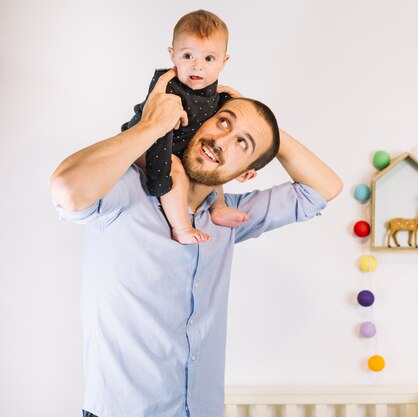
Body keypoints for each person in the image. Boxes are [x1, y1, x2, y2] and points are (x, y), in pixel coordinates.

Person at [50, 69, 343, 417]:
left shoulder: (228, 218)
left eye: (243, 144)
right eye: (223, 122)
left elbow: (324, 189)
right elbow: (67, 190)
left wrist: (265, 128)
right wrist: (150, 127)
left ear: (246, 171)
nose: (222, 141)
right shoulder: (128, 191)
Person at [123, 9, 248, 245]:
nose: (197, 66)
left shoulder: (218, 95)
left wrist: (244, 167)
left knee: (212, 160)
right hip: (146, 143)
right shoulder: (168, 88)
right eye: (188, 56)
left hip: (179, 147)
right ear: (173, 55)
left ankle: (218, 207)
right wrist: (160, 180)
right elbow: (160, 136)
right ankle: (181, 227)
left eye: (208, 59)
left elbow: (239, 131)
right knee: (178, 168)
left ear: (224, 61)